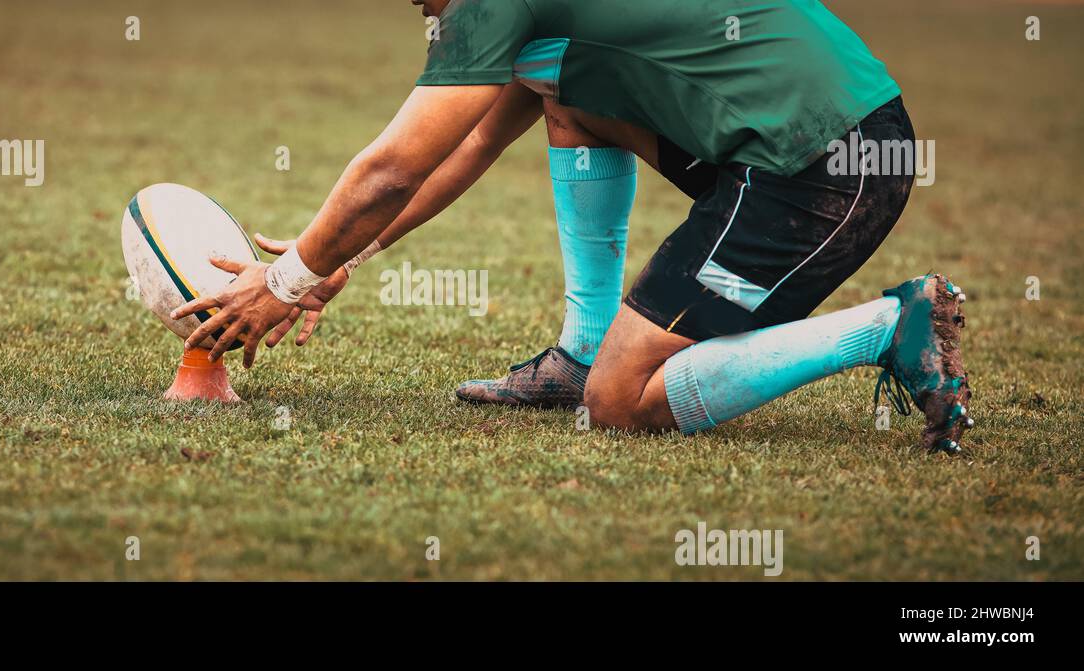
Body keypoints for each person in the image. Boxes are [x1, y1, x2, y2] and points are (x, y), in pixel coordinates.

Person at [172, 0, 972, 452]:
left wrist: (289, 280)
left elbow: (393, 167)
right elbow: (477, 137)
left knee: (620, 401)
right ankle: (581, 346)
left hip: (824, 158)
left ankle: (890, 326)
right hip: (802, 137)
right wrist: (352, 255)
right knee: (569, 98)